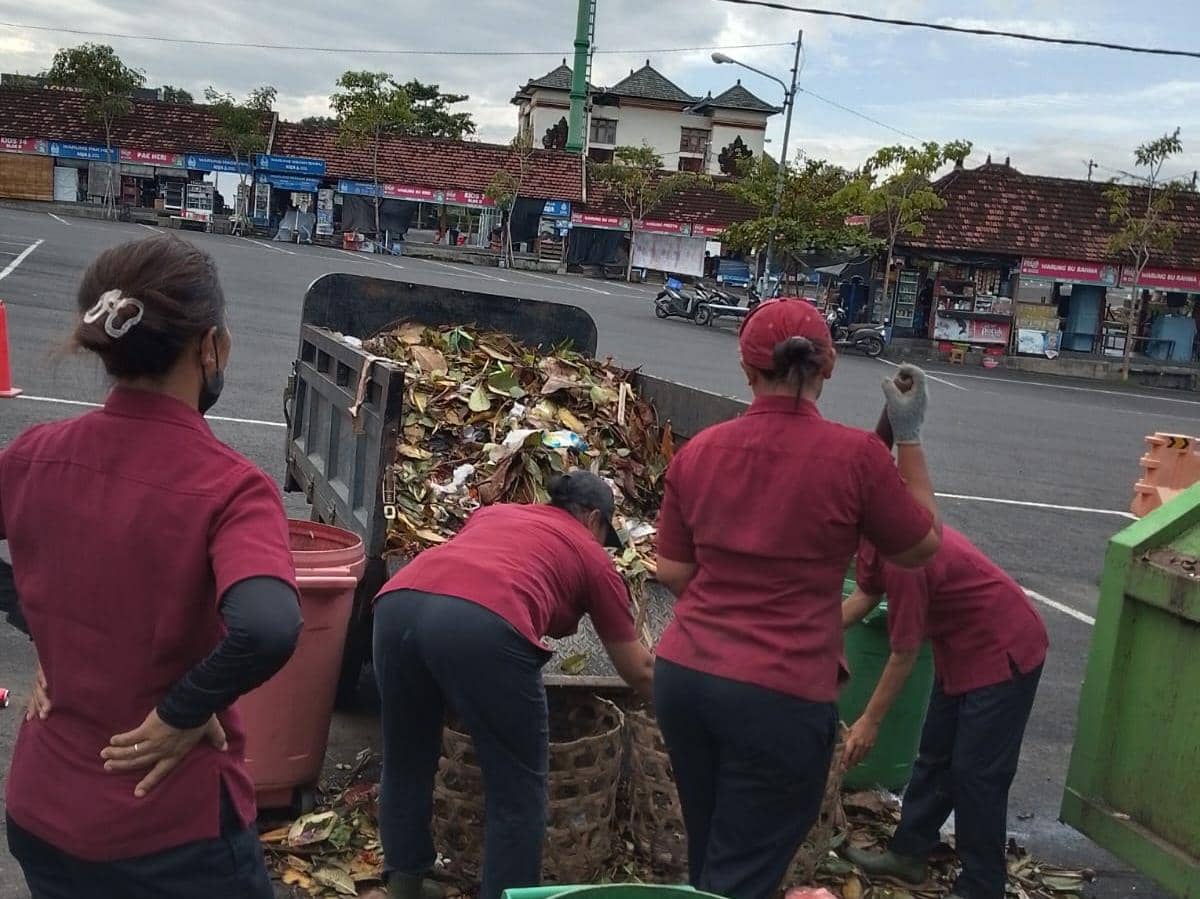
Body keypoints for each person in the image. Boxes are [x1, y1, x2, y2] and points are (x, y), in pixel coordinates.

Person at [0, 235, 303, 898]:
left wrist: (35, 622)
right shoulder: (232, 487)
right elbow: (270, 623)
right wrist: (183, 708)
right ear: (211, 347)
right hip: (168, 834)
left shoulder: (34, 452)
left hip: (40, 812)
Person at [652, 297, 943, 899]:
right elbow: (920, 545)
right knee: (747, 868)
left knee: (711, 848)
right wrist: (908, 437)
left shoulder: (699, 451)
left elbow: (674, 570)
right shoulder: (857, 459)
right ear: (828, 366)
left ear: (745, 368)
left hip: (686, 679)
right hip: (780, 693)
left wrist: (730, 601)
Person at [372, 471, 655, 899]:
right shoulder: (593, 556)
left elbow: (491, 567)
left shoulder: (496, 513)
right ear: (594, 518)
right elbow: (638, 671)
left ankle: (405, 883)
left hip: (397, 604)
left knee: (406, 756)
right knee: (518, 790)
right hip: (484, 625)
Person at [840, 528, 1048, 899]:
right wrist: (807, 630)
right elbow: (866, 594)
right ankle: (908, 856)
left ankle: (982, 887)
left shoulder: (903, 555)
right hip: (959, 651)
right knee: (935, 755)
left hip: (1003, 648)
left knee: (977, 775)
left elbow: (904, 653)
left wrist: (870, 720)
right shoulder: (873, 538)